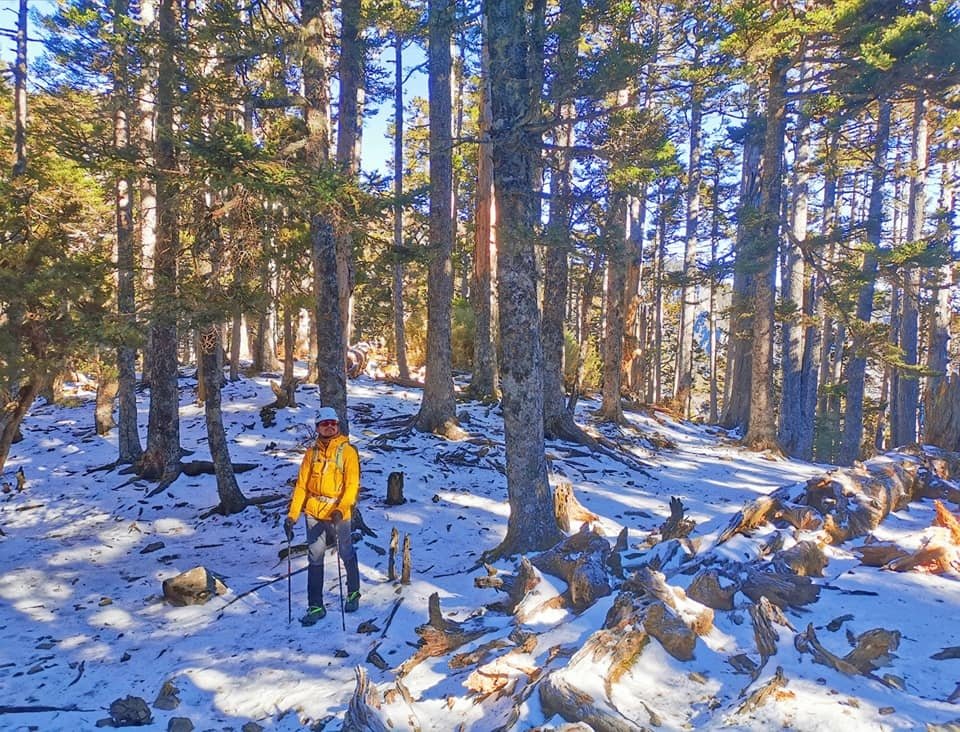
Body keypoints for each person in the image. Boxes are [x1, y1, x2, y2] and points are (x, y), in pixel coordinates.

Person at [284, 406, 361, 626]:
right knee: (314, 557)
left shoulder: (347, 452)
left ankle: (353, 593)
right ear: (317, 427)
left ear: (338, 425)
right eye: (324, 424)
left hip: (339, 512)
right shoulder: (312, 453)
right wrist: (292, 516)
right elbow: (301, 487)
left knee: (346, 551)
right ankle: (315, 605)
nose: (329, 427)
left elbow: (352, 485)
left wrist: (341, 508)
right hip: (314, 511)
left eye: (333, 423)